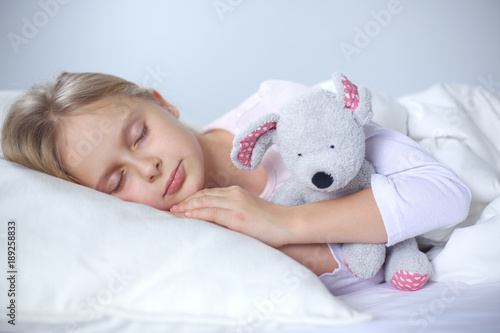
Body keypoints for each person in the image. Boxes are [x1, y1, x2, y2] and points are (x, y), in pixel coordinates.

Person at [1, 72, 471, 295]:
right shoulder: (179, 233)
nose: (149, 168)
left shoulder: (283, 113)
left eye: (140, 134)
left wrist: (282, 223)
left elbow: (444, 194)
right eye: (116, 179)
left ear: (163, 101)